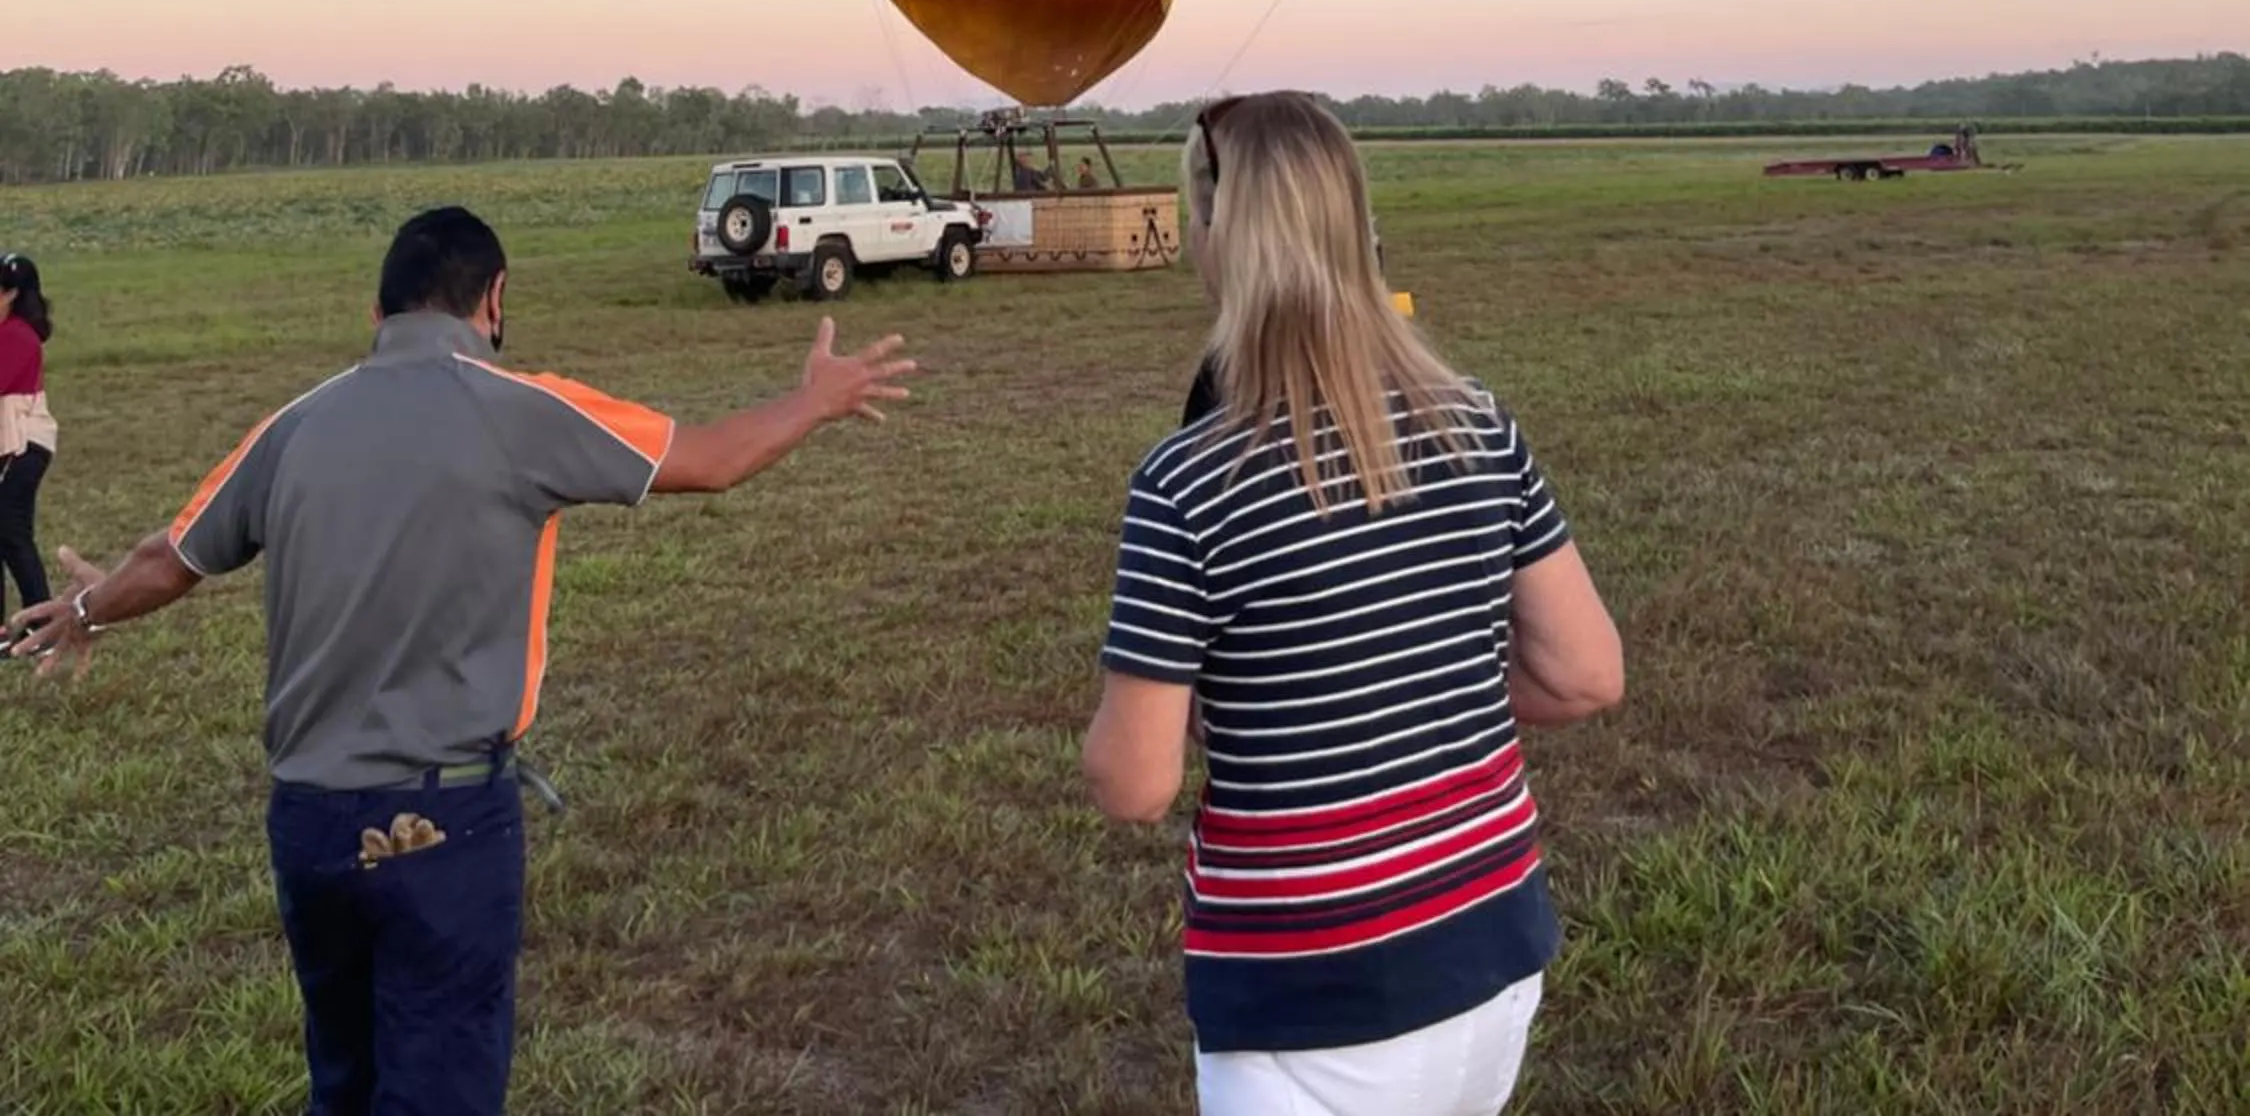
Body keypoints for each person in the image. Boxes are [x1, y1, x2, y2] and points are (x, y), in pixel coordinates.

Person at [6, 204, 917, 1116]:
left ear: (378, 316)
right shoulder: (521, 408)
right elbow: (712, 460)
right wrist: (818, 398)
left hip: (309, 825)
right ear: (495, 299)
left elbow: (172, 557)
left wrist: (85, 609)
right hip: (441, 827)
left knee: (346, 1080)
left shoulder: (292, 425)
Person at [1083, 94, 1624, 1116]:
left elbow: (1135, 785)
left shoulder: (1187, 484)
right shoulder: (1480, 423)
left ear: (1213, 232)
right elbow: (1589, 673)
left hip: (1313, 1003)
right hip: (1496, 957)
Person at [0, 250, 58, 622]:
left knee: (12, 532)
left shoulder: (19, 337)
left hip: (24, 446)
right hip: (7, 443)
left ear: (11, 294)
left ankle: (42, 622)